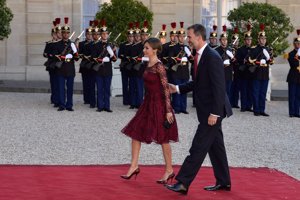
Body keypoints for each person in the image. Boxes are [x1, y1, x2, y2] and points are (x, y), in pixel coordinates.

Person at [166, 24, 232, 195]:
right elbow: (198, 83)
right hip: (208, 110)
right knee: (216, 147)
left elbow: (219, 87)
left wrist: (215, 113)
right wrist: (178, 89)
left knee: (198, 146)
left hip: (213, 111)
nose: (187, 40)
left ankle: (182, 183)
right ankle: (224, 182)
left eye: (189, 37)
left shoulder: (212, 57)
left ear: (199, 37)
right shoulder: (199, 55)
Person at [121, 37, 178, 184]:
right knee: (135, 132)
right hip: (147, 104)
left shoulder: (159, 66)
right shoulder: (147, 64)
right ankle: (134, 166)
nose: (144, 50)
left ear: (155, 50)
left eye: (147, 48)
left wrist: (168, 111)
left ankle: (169, 170)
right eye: (144, 47)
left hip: (160, 105)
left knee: (163, 139)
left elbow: (165, 90)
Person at [54, 17, 79, 111]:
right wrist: (65, 57)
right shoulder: (57, 44)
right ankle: (62, 105)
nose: (66, 34)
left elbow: (76, 58)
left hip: (70, 69)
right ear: (62, 33)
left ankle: (69, 105)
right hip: (60, 69)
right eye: (64, 33)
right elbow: (56, 56)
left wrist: (76, 50)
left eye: (67, 33)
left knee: (70, 89)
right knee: (61, 89)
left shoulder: (72, 44)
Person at [248, 23, 273, 116]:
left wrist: (269, 59)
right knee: (256, 93)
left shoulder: (268, 49)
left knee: (263, 93)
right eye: (261, 39)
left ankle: (262, 110)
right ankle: (256, 110)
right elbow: (249, 59)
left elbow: (271, 61)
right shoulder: (254, 49)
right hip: (256, 74)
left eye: (264, 39)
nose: (263, 40)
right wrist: (258, 62)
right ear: (258, 40)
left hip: (265, 74)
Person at [286, 29, 300, 118]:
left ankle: (297, 112)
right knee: (292, 95)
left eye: (299, 44)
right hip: (293, 76)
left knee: (298, 96)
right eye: (297, 43)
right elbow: (293, 64)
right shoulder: (291, 54)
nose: (298, 45)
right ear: (294, 44)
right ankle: (291, 112)